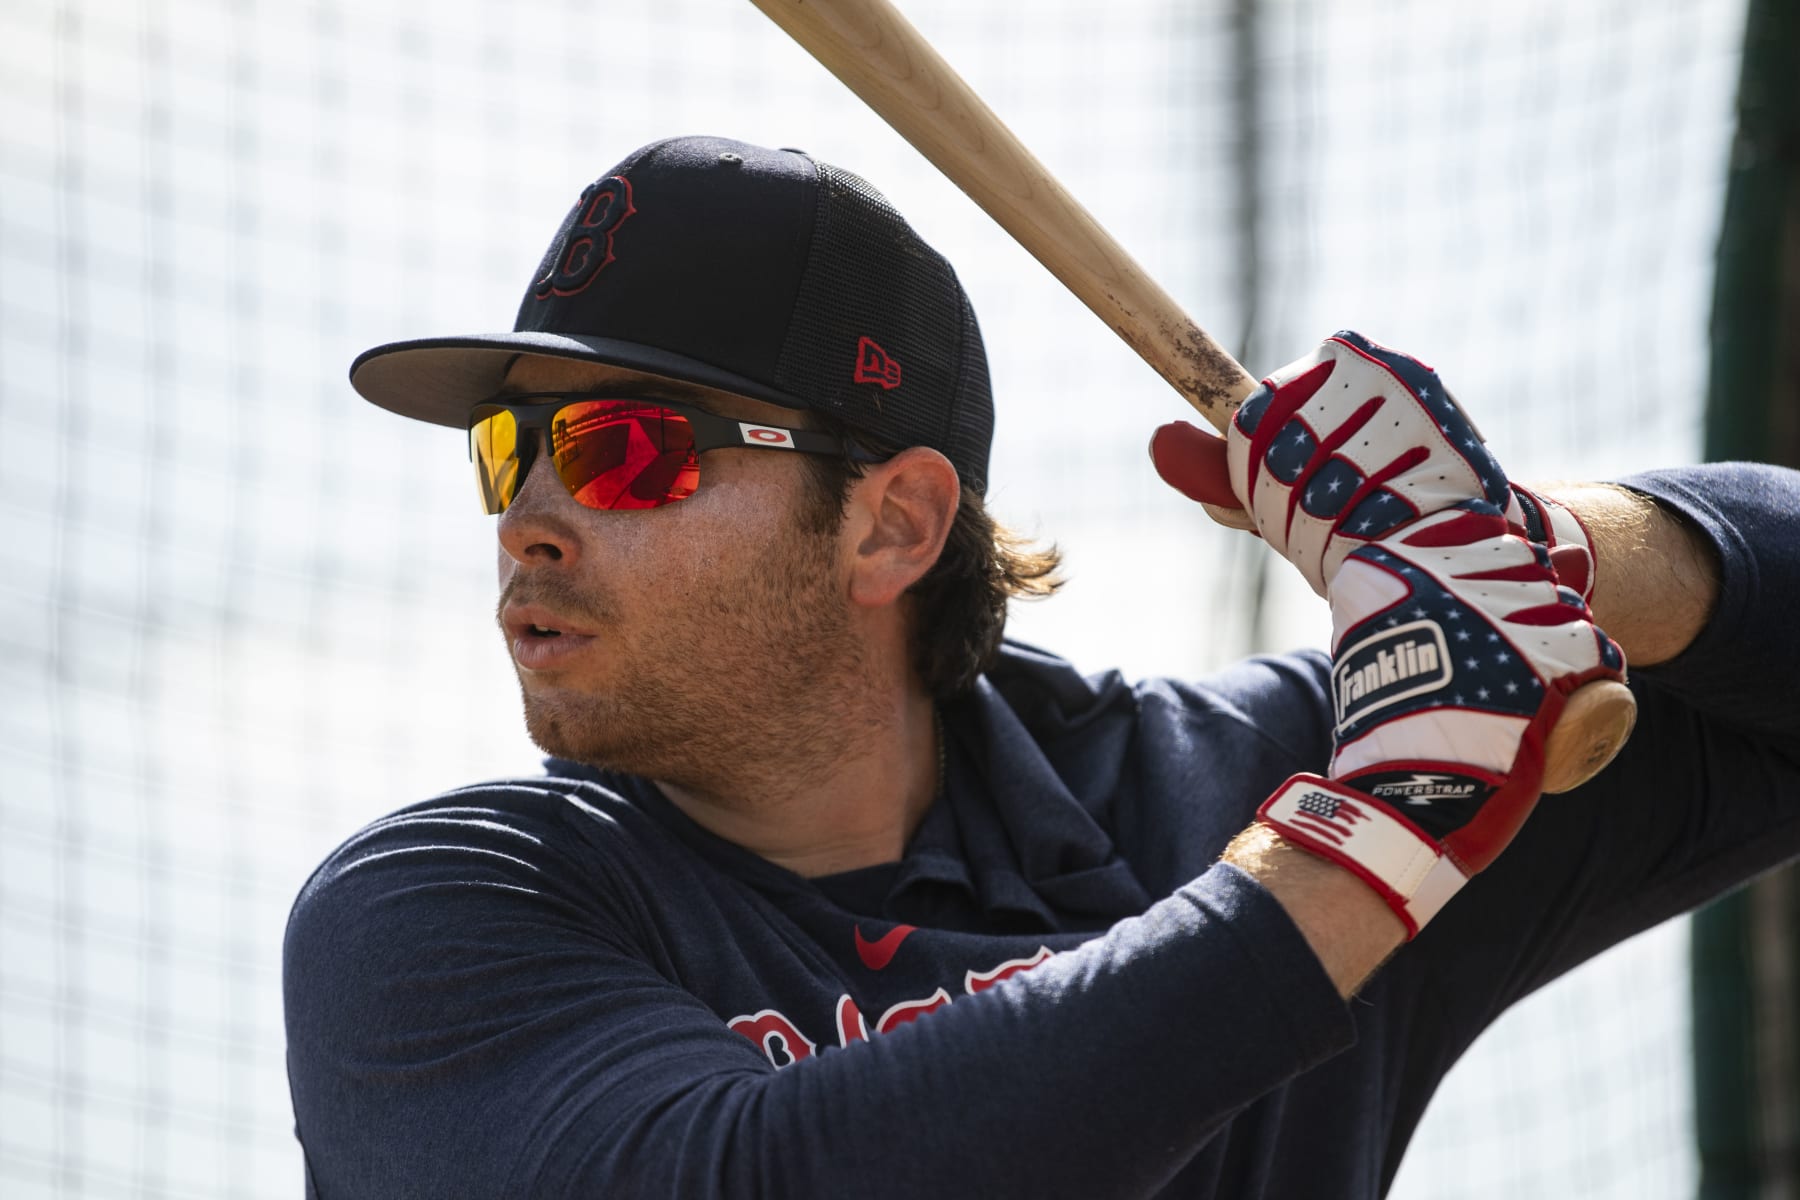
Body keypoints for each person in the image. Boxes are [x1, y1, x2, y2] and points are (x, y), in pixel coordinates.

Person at [283, 135, 1800, 1198]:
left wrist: (1529, 548)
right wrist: (1368, 847)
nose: (531, 520)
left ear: (891, 526)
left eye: (622, 449)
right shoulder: (444, 913)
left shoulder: (1225, 786)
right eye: (512, 450)